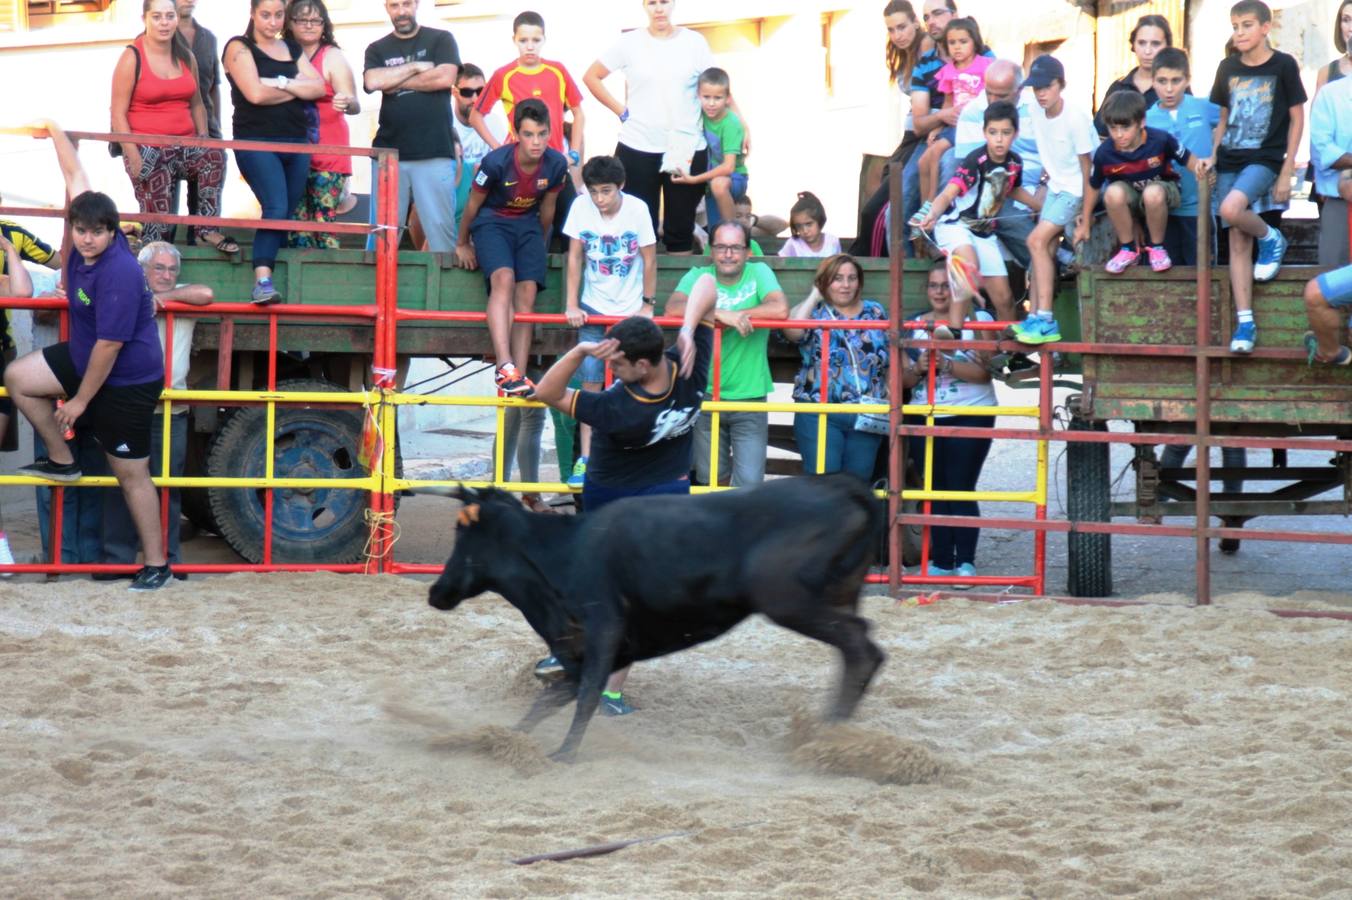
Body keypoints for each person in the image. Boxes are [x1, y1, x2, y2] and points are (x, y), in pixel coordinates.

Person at [531, 268, 720, 716]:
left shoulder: (618, 406)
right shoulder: (689, 365)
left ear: (642, 364)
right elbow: (708, 287)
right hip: (640, 494)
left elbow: (545, 391)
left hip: (631, 496)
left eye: (616, 363)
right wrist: (691, 331)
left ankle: (601, 682)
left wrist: (579, 350)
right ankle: (586, 665)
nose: (609, 369)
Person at [4, 121, 172, 590]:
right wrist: (58, 133)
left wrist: (76, 403)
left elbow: (110, 347)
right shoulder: (75, 247)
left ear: (112, 233)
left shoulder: (117, 269)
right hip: (86, 359)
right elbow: (75, 178)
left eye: (97, 232)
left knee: (131, 476)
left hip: (126, 380)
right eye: (80, 230)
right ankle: (63, 459)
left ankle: (157, 563)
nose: (86, 239)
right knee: (18, 377)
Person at [586, 0, 746, 255]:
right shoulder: (630, 43)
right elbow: (591, 76)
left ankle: (678, 294)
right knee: (638, 228)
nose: (659, 8)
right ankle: (640, 294)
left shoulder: (694, 42)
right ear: (643, 6)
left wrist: (741, 124)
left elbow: (718, 87)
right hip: (638, 145)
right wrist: (621, 111)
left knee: (680, 230)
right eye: (652, 3)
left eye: (664, 2)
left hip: (686, 146)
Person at [99, 241, 214, 578]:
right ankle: (116, 562)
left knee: (167, 486)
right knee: (120, 485)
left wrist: (163, 300)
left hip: (171, 409)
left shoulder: (178, 294)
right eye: (158, 268)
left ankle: (168, 560)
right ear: (143, 269)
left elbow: (206, 293)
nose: (166, 275)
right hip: (128, 406)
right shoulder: (127, 292)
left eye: (171, 269)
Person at [454, 98, 569, 396]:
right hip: (492, 222)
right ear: (516, 134)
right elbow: (472, 206)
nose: (537, 141)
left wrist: (536, 245)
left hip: (528, 226)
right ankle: (504, 366)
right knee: (503, 278)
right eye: (529, 134)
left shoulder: (556, 164)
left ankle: (517, 375)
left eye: (542, 134)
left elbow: (548, 211)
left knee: (527, 289)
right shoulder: (496, 163)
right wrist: (462, 242)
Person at [1209, 0, 1305, 355]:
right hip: (1229, 160)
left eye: (1246, 25)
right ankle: (1245, 323)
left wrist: (1287, 168)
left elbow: (1297, 118)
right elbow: (1223, 118)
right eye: (1235, 26)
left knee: (1233, 210)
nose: (1239, 33)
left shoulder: (1283, 65)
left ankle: (1271, 237)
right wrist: (1212, 154)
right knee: (1236, 242)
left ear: (1266, 27)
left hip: (1264, 159)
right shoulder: (1227, 67)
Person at [667, 221, 788, 487]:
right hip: (706, 393)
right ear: (711, 250)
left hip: (749, 394)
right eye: (721, 247)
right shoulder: (699, 275)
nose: (728, 254)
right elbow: (673, 308)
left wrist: (738, 315)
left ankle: (742, 528)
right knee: (711, 477)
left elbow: (779, 309)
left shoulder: (759, 272)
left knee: (749, 483)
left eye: (735, 247)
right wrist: (721, 315)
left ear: (747, 251)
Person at [562, 155, 657, 488]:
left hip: (629, 311)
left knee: (629, 384)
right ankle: (585, 459)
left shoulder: (638, 210)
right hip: (593, 307)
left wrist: (647, 305)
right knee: (590, 385)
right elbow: (574, 257)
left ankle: (627, 457)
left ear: (621, 187)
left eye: (606, 191)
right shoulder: (580, 207)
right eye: (594, 192)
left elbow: (648, 259)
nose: (599, 199)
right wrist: (572, 303)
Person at [223, 0, 326, 304]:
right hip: (257, 141)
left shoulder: (292, 49)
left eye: (278, 15)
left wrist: (278, 82)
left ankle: (268, 271)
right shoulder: (239, 47)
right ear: (253, 14)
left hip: (296, 142)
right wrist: (296, 86)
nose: (272, 21)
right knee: (276, 207)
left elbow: (319, 88)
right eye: (266, 15)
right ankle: (262, 282)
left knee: (285, 215)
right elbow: (253, 94)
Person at [111, 0, 233, 255]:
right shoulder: (132, 57)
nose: (164, 23)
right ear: (144, 18)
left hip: (184, 144)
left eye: (169, 16)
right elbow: (118, 113)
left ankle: (205, 229)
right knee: (160, 208)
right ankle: (155, 252)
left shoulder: (186, 56)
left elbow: (198, 103)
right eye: (157, 17)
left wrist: (203, 137)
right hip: (148, 148)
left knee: (214, 156)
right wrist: (131, 153)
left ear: (177, 18)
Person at [902, 259, 996, 580]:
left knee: (959, 487)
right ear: (925, 289)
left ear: (961, 288)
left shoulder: (978, 319)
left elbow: (985, 372)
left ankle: (966, 560)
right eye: (934, 285)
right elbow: (901, 379)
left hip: (971, 412)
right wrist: (918, 367)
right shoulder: (913, 324)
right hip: (925, 413)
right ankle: (941, 560)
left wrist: (946, 365)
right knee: (933, 489)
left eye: (948, 285)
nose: (940, 291)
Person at [917, 100, 1040, 325]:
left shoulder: (1015, 162)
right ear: (984, 133)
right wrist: (932, 213)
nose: (999, 139)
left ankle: (1011, 355)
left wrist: (1039, 206)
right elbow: (947, 194)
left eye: (1006, 132)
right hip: (956, 224)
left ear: (1015, 134)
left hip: (984, 232)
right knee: (968, 265)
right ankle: (954, 329)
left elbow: (1012, 189)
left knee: (1004, 299)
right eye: (993, 132)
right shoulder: (975, 160)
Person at [470, 10, 584, 243]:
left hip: (554, 162)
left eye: (535, 40)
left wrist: (572, 152)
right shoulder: (504, 74)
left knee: (572, 229)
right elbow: (476, 115)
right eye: (523, 40)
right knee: (516, 227)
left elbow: (578, 111)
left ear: (544, 40)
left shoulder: (557, 71)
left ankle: (566, 278)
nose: (529, 46)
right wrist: (497, 149)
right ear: (514, 40)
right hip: (518, 166)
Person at [1011, 55, 1097, 347]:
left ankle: (1046, 319)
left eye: (1046, 86)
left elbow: (1089, 171)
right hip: (1057, 187)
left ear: (1061, 84)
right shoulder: (1035, 109)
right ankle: (1035, 316)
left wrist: (1085, 215)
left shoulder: (1076, 117)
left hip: (1075, 190)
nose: (1041, 93)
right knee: (1043, 247)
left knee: (1035, 241)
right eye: (1036, 87)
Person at [363, 0, 461, 253]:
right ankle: (374, 293)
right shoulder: (376, 48)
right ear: (386, 7)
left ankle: (444, 293)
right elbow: (373, 80)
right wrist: (416, 67)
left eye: (407, 3)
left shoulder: (441, 39)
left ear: (416, 4)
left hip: (434, 150)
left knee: (441, 234)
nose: (402, 11)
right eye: (395, 5)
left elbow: (445, 77)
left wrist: (395, 82)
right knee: (382, 235)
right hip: (388, 153)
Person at [1075, 90, 1205, 275]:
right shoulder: (1105, 153)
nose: (1119, 135)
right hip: (1133, 196)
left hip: (1164, 190)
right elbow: (1093, 186)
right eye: (1113, 128)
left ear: (1141, 122)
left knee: (1152, 193)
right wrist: (1086, 220)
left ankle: (1157, 248)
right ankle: (1128, 249)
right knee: (1112, 193)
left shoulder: (1160, 140)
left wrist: (1205, 175)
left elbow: (1192, 161)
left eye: (1125, 128)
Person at [783, 254, 889, 480]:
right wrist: (814, 295)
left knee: (857, 485)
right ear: (825, 282)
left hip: (866, 412)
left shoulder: (875, 312)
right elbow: (793, 332)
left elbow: (888, 356)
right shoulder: (813, 311)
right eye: (837, 278)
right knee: (823, 484)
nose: (846, 285)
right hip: (819, 411)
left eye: (852, 278)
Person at [902, 0, 993, 242]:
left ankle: (933, 207)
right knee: (925, 159)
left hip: (975, 128)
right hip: (952, 126)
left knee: (944, 158)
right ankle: (926, 208)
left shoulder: (985, 62)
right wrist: (939, 126)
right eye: (926, 17)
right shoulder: (944, 69)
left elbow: (999, 96)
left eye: (937, 13)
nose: (931, 21)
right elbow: (946, 104)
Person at [852, 0, 928, 257]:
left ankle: (874, 267)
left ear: (916, 23)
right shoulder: (903, 54)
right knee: (873, 210)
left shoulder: (926, 48)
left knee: (881, 211)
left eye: (902, 27)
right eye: (892, 29)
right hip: (908, 139)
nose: (898, 35)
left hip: (922, 137)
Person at [952, 59, 1041, 271]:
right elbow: (977, 173)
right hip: (997, 188)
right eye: (988, 92)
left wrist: (1044, 187)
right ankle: (1048, 269)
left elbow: (1057, 154)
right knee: (1001, 212)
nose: (992, 100)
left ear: (1019, 90)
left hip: (1041, 184)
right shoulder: (974, 112)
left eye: (1001, 95)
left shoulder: (1037, 108)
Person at [285, 0, 360, 250]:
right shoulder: (281, 51)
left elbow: (354, 103)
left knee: (323, 222)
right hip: (292, 150)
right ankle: (300, 286)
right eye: (302, 20)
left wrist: (346, 101)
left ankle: (330, 285)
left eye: (315, 20)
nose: (309, 25)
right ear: (290, 23)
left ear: (324, 24)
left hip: (329, 153)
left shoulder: (332, 55)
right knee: (296, 225)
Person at [1145, 47, 1220, 266]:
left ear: (1188, 79)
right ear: (1152, 80)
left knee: (1203, 272)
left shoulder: (1203, 107)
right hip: (1163, 213)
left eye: (1176, 81)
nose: (1169, 89)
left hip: (1200, 208)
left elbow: (1229, 120)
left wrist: (1214, 156)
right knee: (1168, 275)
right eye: (1162, 81)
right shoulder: (1147, 119)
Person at [668, 67, 746, 229]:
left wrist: (695, 179)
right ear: (698, 96)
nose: (711, 103)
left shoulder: (730, 124)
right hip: (711, 180)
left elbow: (728, 166)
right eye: (706, 97)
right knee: (714, 231)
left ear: (728, 99)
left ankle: (735, 234)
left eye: (717, 98)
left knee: (718, 184)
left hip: (735, 177)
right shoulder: (699, 114)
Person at [174, 0, 223, 246]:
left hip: (206, 127)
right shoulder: (152, 36)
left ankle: (201, 251)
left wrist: (218, 129)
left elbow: (214, 87)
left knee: (205, 203)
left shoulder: (208, 38)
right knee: (165, 209)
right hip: (169, 130)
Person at [451, 63, 508, 237]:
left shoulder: (494, 122)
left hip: (485, 189)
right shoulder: (444, 122)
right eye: (467, 92)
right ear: (454, 92)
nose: (475, 98)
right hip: (452, 186)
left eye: (481, 91)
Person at [1094, 14, 1174, 137]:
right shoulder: (1118, 88)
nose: (1147, 51)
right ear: (1133, 45)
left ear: (1167, 46)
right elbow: (1100, 134)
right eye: (1142, 43)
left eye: (1155, 44)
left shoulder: (1176, 88)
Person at [778, 192, 842, 258]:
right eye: (799, 226)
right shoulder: (793, 244)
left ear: (819, 220)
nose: (805, 231)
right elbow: (779, 264)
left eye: (809, 224)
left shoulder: (832, 242)